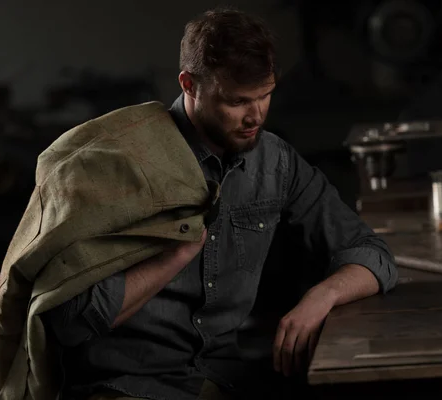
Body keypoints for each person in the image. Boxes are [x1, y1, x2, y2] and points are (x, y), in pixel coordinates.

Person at [43, 7, 398, 400]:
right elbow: (70, 320)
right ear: (189, 85)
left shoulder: (275, 162)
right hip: (126, 386)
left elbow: (373, 254)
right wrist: (175, 254)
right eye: (237, 101)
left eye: (265, 96)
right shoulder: (120, 165)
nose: (255, 116)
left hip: (226, 377)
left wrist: (322, 296)